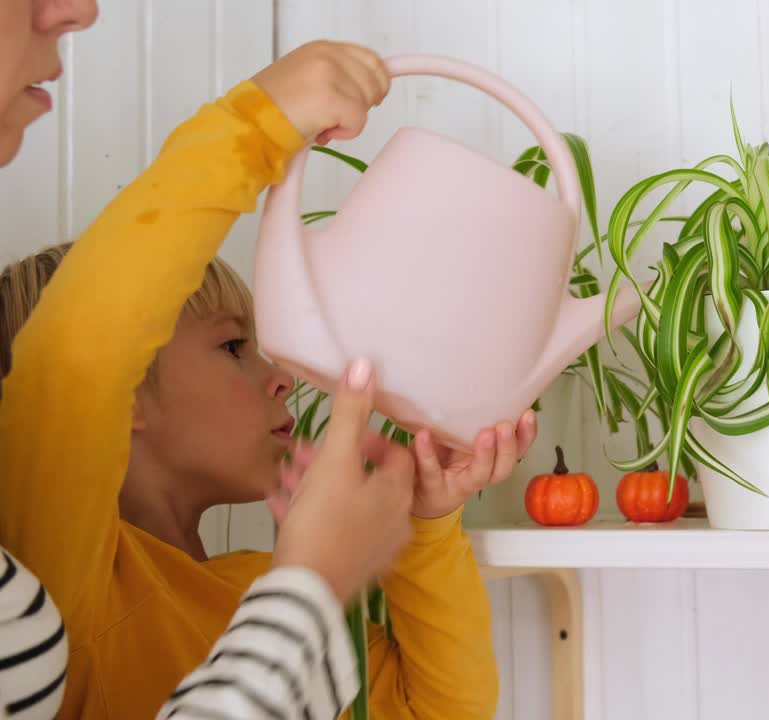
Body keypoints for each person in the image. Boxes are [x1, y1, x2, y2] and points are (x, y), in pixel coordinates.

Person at [0, 1, 536, 717]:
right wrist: (256, 127)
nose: (280, 373)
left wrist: (426, 523)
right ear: (126, 392)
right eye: (231, 346)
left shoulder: (261, 583)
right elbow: (79, 356)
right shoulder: (66, 574)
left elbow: (437, 710)